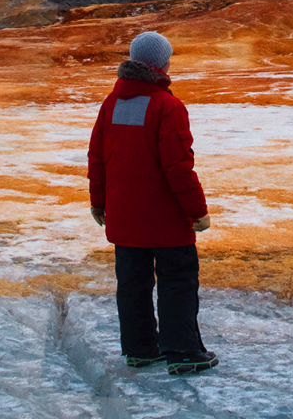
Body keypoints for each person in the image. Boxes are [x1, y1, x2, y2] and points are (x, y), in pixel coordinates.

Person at [87, 31, 217, 375]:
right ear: (160, 64)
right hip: (165, 220)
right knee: (177, 281)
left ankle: (140, 349)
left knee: (133, 284)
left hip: (125, 217)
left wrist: (98, 203)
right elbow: (177, 166)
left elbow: (98, 158)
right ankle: (183, 351)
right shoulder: (167, 106)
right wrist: (197, 210)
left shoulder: (111, 104)